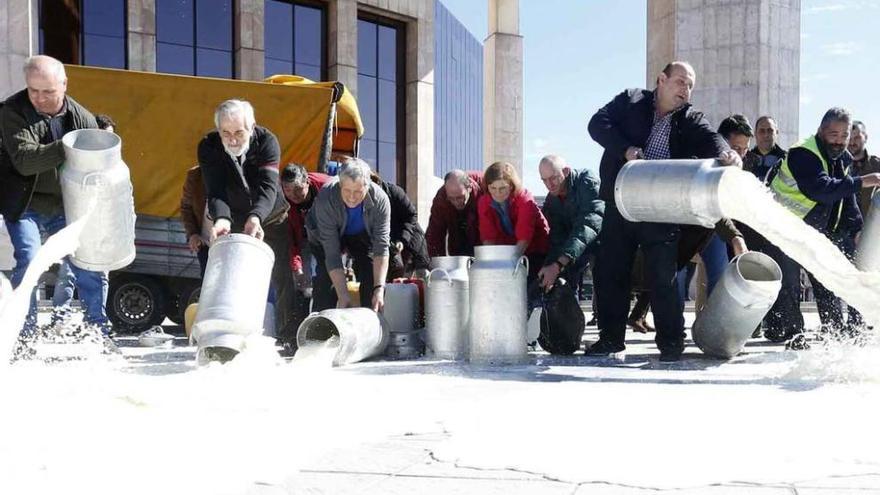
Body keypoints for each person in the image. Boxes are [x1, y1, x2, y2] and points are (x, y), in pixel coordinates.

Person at [587, 61, 744, 362]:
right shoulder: (630, 100)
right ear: (661, 80)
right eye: (681, 82)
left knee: (665, 275)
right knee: (611, 272)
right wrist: (626, 149)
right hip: (619, 201)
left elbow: (713, 139)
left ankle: (672, 344)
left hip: (660, 207)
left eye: (690, 86)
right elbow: (597, 124)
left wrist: (728, 153)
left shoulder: (690, 118)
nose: (686, 90)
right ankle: (610, 340)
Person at [0, 55, 110, 335]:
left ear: (64, 85)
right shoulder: (11, 111)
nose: (39, 98)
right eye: (33, 90)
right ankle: (23, 334)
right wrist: (73, 144)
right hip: (25, 202)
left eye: (48, 91)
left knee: (86, 260)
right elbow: (25, 162)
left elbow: (98, 165)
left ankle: (96, 330)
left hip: (66, 203)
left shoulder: (82, 117)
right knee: (30, 258)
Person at [766, 108, 880, 348]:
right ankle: (793, 336)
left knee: (827, 282)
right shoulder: (802, 153)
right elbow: (821, 189)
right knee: (789, 284)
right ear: (821, 131)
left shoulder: (843, 157)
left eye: (844, 135)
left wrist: (857, 228)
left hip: (818, 229)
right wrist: (862, 182)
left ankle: (835, 334)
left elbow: (847, 200)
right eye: (833, 134)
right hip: (786, 225)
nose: (839, 141)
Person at [197, 99, 298, 343]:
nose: (232, 140)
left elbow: (267, 187)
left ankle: (287, 335)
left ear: (251, 127)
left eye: (239, 133)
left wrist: (257, 217)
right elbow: (215, 190)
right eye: (226, 133)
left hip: (271, 216)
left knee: (282, 275)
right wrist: (221, 219)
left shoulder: (267, 141)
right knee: (239, 276)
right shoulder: (208, 147)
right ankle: (237, 334)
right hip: (235, 218)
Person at [305, 157, 390, 312]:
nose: (352, 197)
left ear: (368, 186)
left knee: (370, 273)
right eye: (347, 190)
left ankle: (369, 322)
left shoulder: (381, 201)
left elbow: (381, 248)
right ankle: (321, 328)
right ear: (340, 185)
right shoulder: (326, 198)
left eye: (358, 191)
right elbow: (332, 254)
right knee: (325, 279)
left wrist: (379, 288)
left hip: (360, 236)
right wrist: (343, 296)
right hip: (323, 236)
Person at [52, 113, 117, 312]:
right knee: (68, 272)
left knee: (101, 275)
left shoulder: (112, 164)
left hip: (101, 225)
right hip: (74, 222)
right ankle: (60, 319)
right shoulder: (76, 161)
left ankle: (97, 320)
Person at [478, 161, 550, 301]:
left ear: (511, 185)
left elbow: (524, 237)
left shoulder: (524, 199)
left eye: (502, 188)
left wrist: (509, 267)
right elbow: (488, 236)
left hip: (536, 248)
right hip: (509, 249)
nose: (497, 194)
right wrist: (493, 266)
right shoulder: (484, 202)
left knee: (529, 291)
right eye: (493, 188)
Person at [536, 155, 603, 296]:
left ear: (566, 171)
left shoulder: (587, 181)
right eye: (544, 180)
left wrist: (558, 264)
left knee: (603, 276)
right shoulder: (552, 201)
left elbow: (589, 224)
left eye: (553, 178)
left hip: (603, 239)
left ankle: (601, 316)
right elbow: (557, 238)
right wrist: (550, 268)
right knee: (565, 280)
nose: (549, 185)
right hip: (576, 247)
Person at [369, 171, 430, 279]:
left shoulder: (395, 192)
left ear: (377, 182)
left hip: (411, 235)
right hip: (389, 243)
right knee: (395, 276)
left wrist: (402, 239)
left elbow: (411, 215)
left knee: (422, 275)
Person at [280, 163, 331, 289]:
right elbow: (290, 239)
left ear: (307, 182)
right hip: (303, 237)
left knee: (326, 274)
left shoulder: (328, 188)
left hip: (329, 233)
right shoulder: (282, 203)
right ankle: (302, 300)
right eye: (288, 190)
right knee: (300, 279)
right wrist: (297, 268)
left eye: (298, 189)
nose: (293, 195)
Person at [426, 169, 483, 257]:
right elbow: (434, 235)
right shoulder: (441, 198)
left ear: (470, 188)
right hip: (457, 245)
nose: (456, 202)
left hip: (483, 244)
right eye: (451, 198)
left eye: (460, 197)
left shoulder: (485, 187)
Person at [179, 165, 209, 277]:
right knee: (208, 282)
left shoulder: (236, 172)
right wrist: (193, 233)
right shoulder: (195, 175)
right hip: (205, 244)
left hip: (230, 243)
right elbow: (186, 207)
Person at [848, 121, 880, 218]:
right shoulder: (835, 165)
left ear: (865, 137)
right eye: (849, 138)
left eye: (857, 137)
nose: (852, 142)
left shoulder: (877, 165)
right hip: (837, 229)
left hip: (868, 228)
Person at [744, 115, 786, 185]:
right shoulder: (745, 159)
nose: (766, 135)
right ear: (755, 134)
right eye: (762, 131)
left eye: (770, 130)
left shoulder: (786, 160)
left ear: (777, 133)